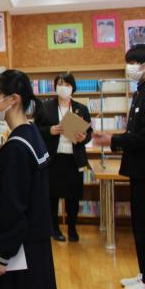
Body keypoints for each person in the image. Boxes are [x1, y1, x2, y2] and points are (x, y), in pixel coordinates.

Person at [0, 70, 59, 289]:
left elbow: (13, 206)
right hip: (35, 243)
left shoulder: (16, 147)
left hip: (22, 249)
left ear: (13, 99)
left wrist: (2, 255)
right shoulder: (32, 135)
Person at [94, 44, 145, 289]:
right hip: (139, 170)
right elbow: (135, 132)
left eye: (133, 62)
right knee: (140, 224)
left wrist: (113, 140)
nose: (129, 67)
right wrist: (113, 138)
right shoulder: (141, 92)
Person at [35, 72, 91, 242]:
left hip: (74, 159)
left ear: (73, 87)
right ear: (55, 86)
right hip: (54, 158)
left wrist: (83, 138)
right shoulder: (45, 107)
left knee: (73, 196)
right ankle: (55, 228)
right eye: (60, 84)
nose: (63, 87)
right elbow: (36, 129)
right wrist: (50, 130)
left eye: (67, 84)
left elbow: (89, 133)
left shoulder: (81, 108)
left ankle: (72, 228)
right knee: (53, 196)